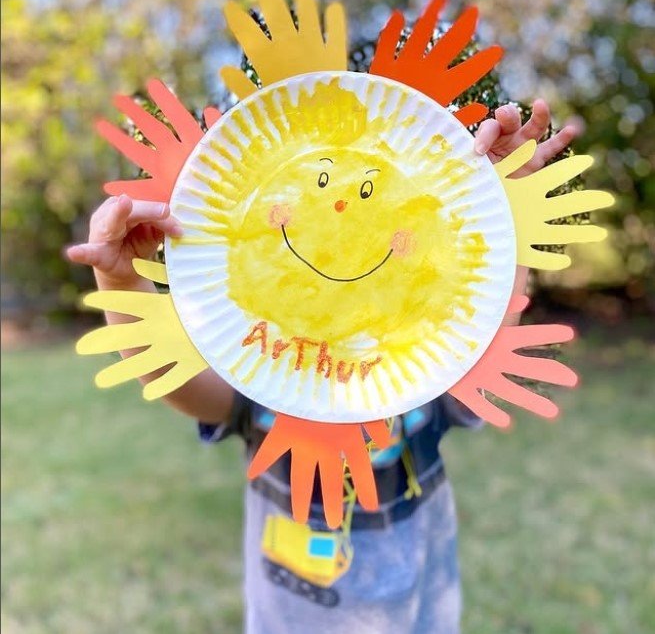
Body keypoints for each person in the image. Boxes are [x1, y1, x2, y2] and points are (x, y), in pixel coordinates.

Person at [67, 100, 581, 634]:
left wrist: (510, 209)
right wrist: (122, 283)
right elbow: (186, 388)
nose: (339, 218)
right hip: (294, 609)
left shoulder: (427, 353)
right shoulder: (260, 360)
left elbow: (484, 341)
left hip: (419, 604)